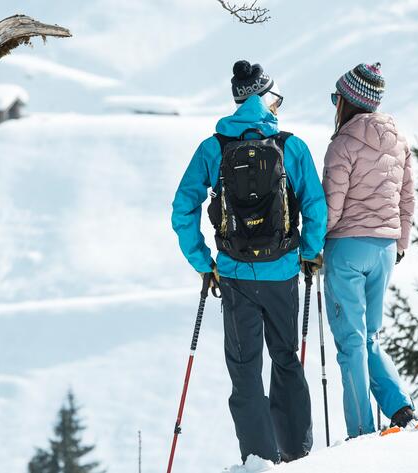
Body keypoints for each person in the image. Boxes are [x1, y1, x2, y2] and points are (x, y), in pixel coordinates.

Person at [171, 60, 327, 465]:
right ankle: (297, 452)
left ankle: (259, 459)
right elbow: (314, 204)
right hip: (282, 272)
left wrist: (204, 262)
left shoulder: (213, 147)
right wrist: (309, 252)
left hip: (235, 274)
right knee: (286, 358)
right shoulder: (291, 146)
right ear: (265, 98)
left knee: (244, 370)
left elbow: (182, 208)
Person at [322, 63, 416, 438]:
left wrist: (311, 248)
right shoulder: (399, 140)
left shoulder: (343, 143)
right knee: (372, 336)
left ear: (347, 102)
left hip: (347, 248)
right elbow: (407, 197)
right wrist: (401, 244)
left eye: (336, 99)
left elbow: (332, 207)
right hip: (386, 249)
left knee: (351, 342)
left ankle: (361, 431)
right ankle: (401, 409)